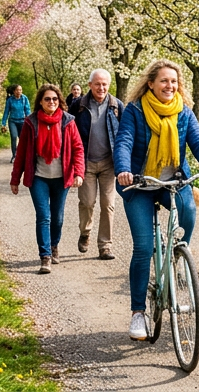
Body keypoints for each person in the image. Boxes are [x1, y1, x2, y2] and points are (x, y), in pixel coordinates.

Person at [114, 60, 199, 341]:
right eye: (164, 81)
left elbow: (198, 141)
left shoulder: (183, 112)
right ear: (150, 83)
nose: (169, 86)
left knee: (188, 209)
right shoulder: (135, 111)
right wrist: (124, 170)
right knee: (143, 247)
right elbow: (124, 141)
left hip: (172, 181)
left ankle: (177, 254)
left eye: (174, 82)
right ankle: (138, 312)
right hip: (139, 184)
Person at [10, 84, 85, 274]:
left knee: (57, 218)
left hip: (62, 178)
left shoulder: (68, 121)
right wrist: (15, 178)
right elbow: (21, 153)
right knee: (43, 217)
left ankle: (53, 245)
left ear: (60, 101)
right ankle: (45, 256)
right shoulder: (31, 122)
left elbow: (78, 149)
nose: (51, 102)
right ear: (40, 102)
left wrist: (78, 173)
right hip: (38, 178)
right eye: (47, 99)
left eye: (54, 99)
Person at [74, 69, 123, 259]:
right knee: (87, 202)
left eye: (104, 84)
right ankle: (85, 233)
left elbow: (125, 135)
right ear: (90, 85)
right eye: (97, 84)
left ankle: (105, 246)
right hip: (85, 163)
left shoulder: (116, 105)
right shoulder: (79, 105)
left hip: (108, 164)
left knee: (108, 205)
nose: (101, 88)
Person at [1, 84, 31, 163]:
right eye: (17, 90)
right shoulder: (10, 100)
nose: (19, 92)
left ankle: (21, 155)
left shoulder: (24, 99)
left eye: (20, 90)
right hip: (12, 121)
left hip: (22, 121)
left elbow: (27, 110)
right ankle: (14, 155)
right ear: (14, 91)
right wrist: (3, 123)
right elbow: (6, 112)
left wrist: (30, 120)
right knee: (14, 137)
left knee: (23, 139)